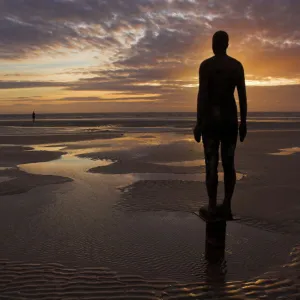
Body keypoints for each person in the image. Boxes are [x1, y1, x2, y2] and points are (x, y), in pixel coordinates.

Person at [194, 31, 247, 218]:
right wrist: (243, 122)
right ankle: (227, 205)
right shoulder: (236, 66)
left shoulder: (206, 66)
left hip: (211, 121)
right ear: (227, 44)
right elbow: (242, 96)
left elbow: (202, 95)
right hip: (230, 120)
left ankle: (212, 205)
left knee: (211, 163)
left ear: (214, 44)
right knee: (229, 163)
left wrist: (199, 122)